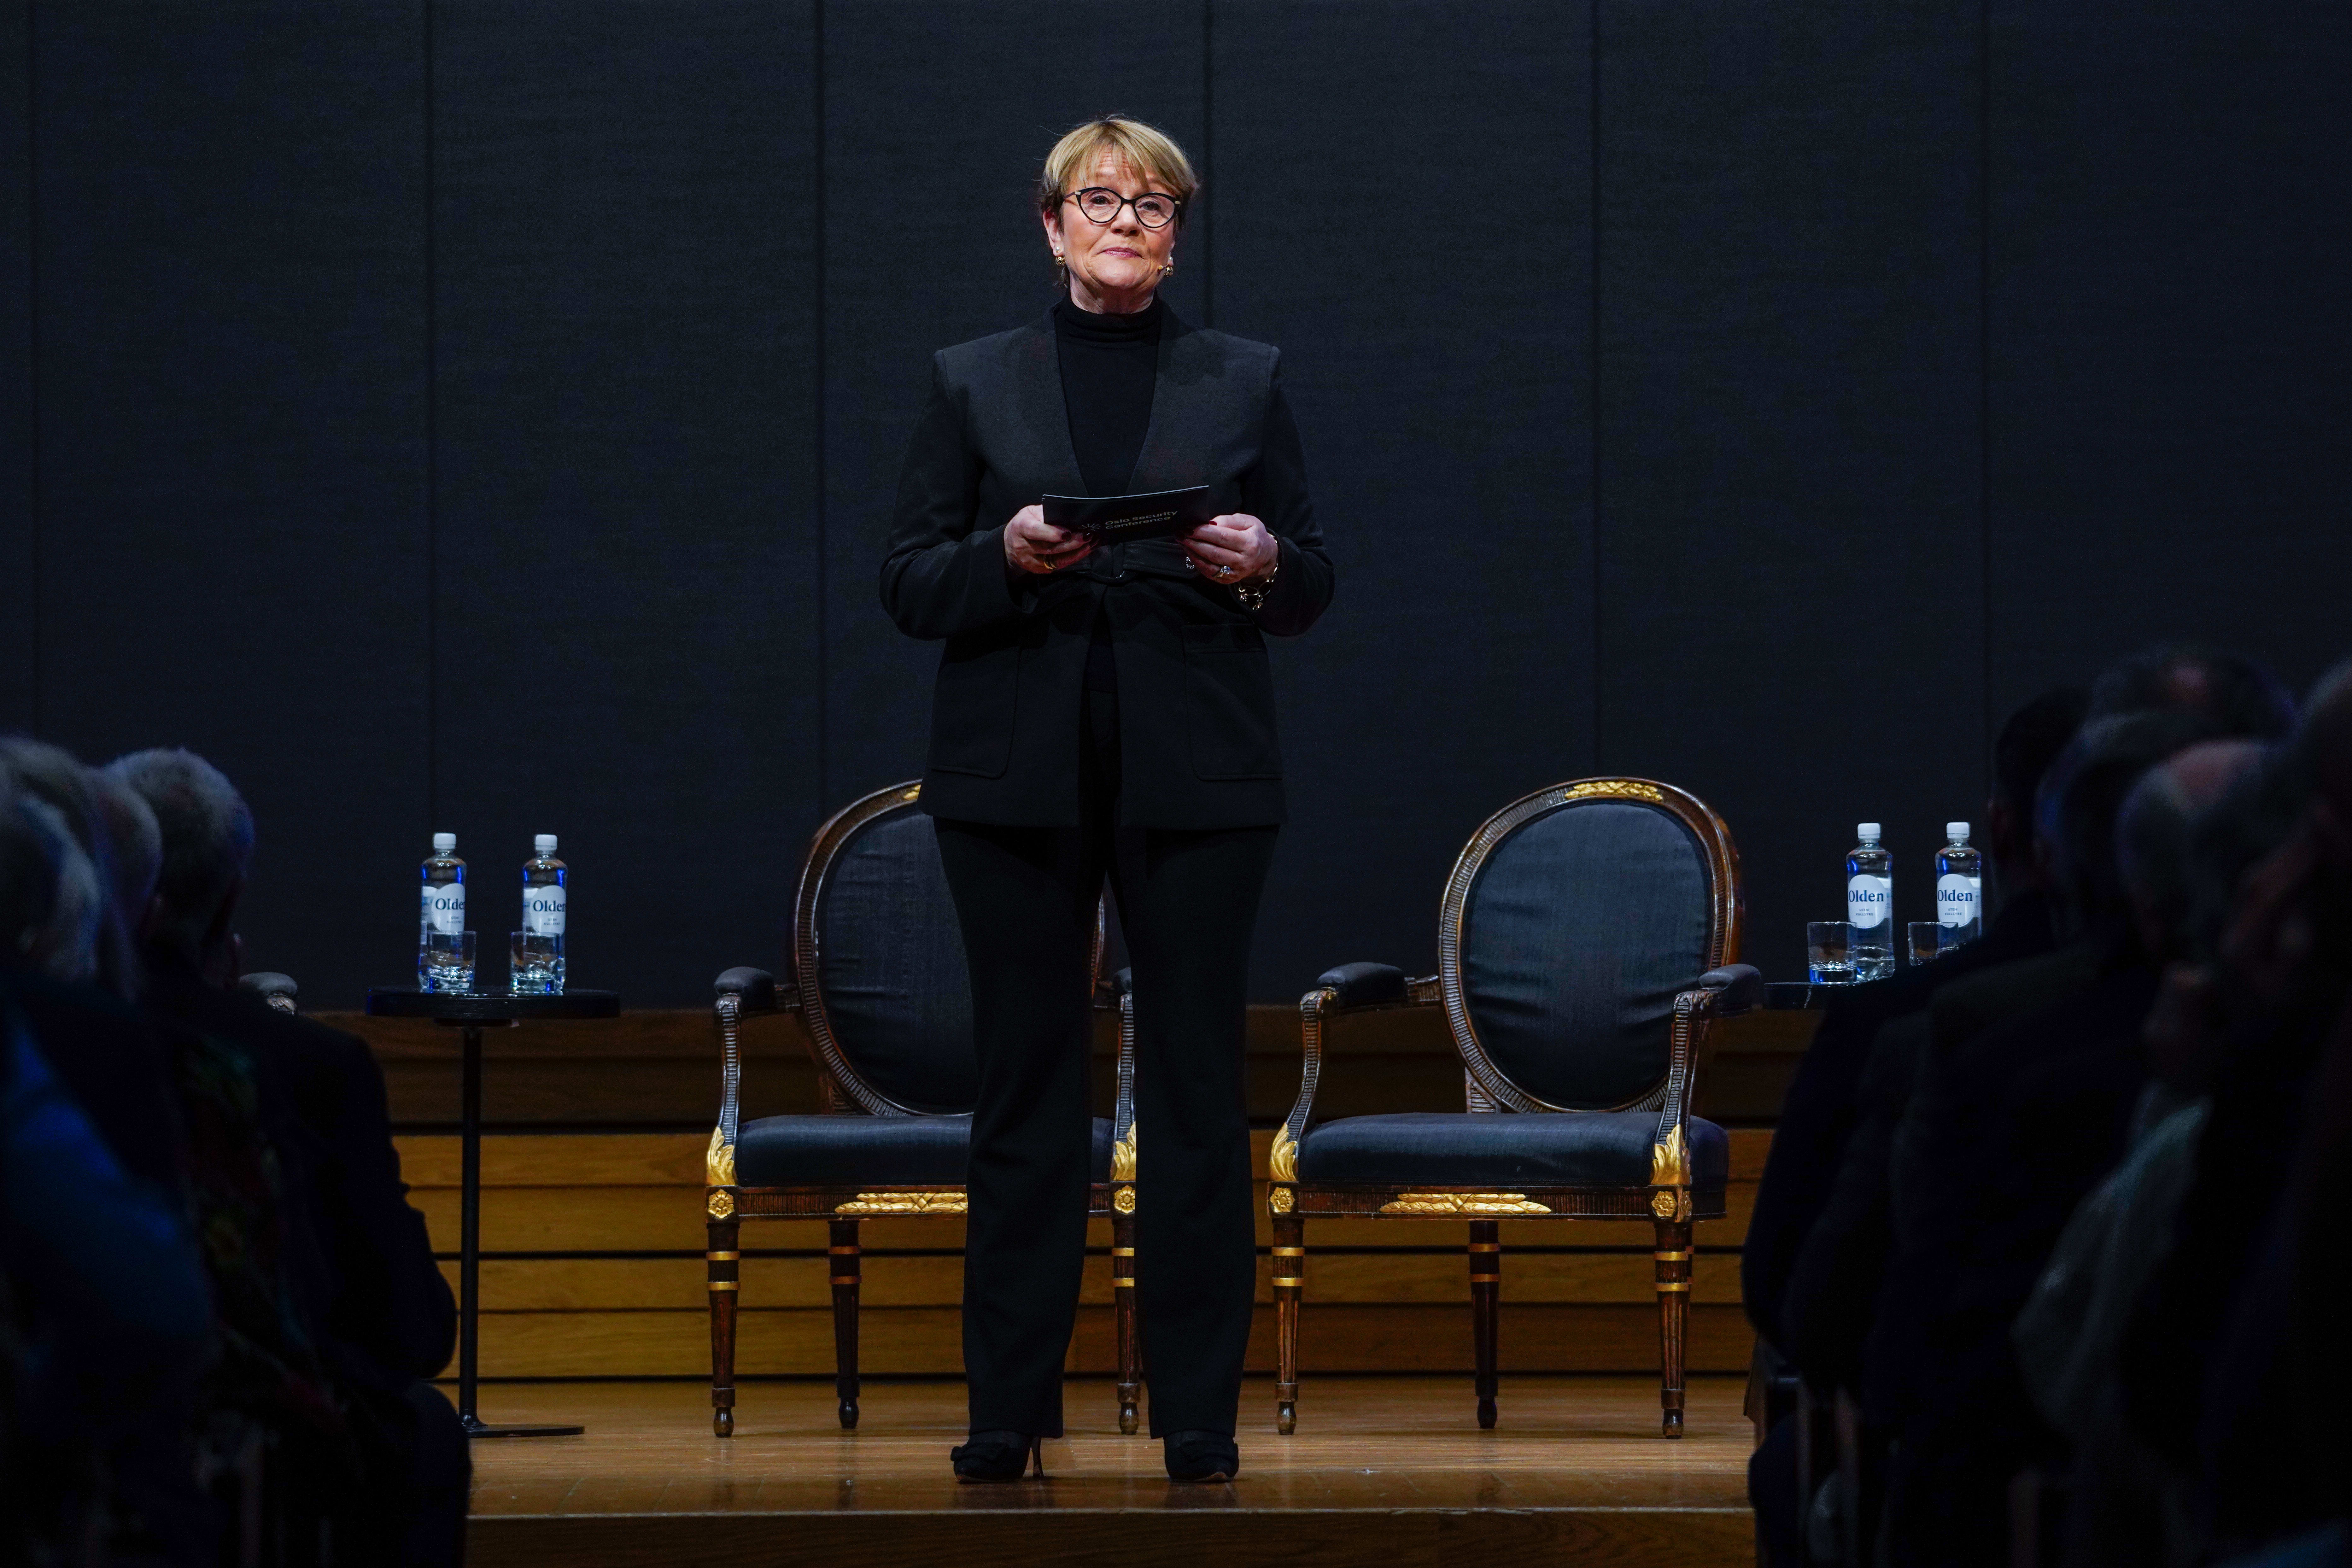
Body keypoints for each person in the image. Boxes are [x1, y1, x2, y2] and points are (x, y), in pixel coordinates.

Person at [878, 115, 1334, 1484]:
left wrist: (1260, 560)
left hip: (1196, 775)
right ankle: (1007, 1411)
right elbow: (908, 579)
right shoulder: (971, 379)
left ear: (1177, 233)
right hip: (1015, 776)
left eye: (1154, 205)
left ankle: (1197, 1417)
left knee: (1194, 1088)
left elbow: (1309, 578)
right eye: (1100, 200)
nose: (1126, 222)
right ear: (1050, 225)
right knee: (1023, 1088)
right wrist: (1006, 555)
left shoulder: (1242, 374)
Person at [109, 747, 465, 1566]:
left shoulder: (41, 1041)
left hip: (75, 1426)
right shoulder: (313, 1065)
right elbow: (414, 1329)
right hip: (275, 1447)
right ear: (231, 899)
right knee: (426, 1430)